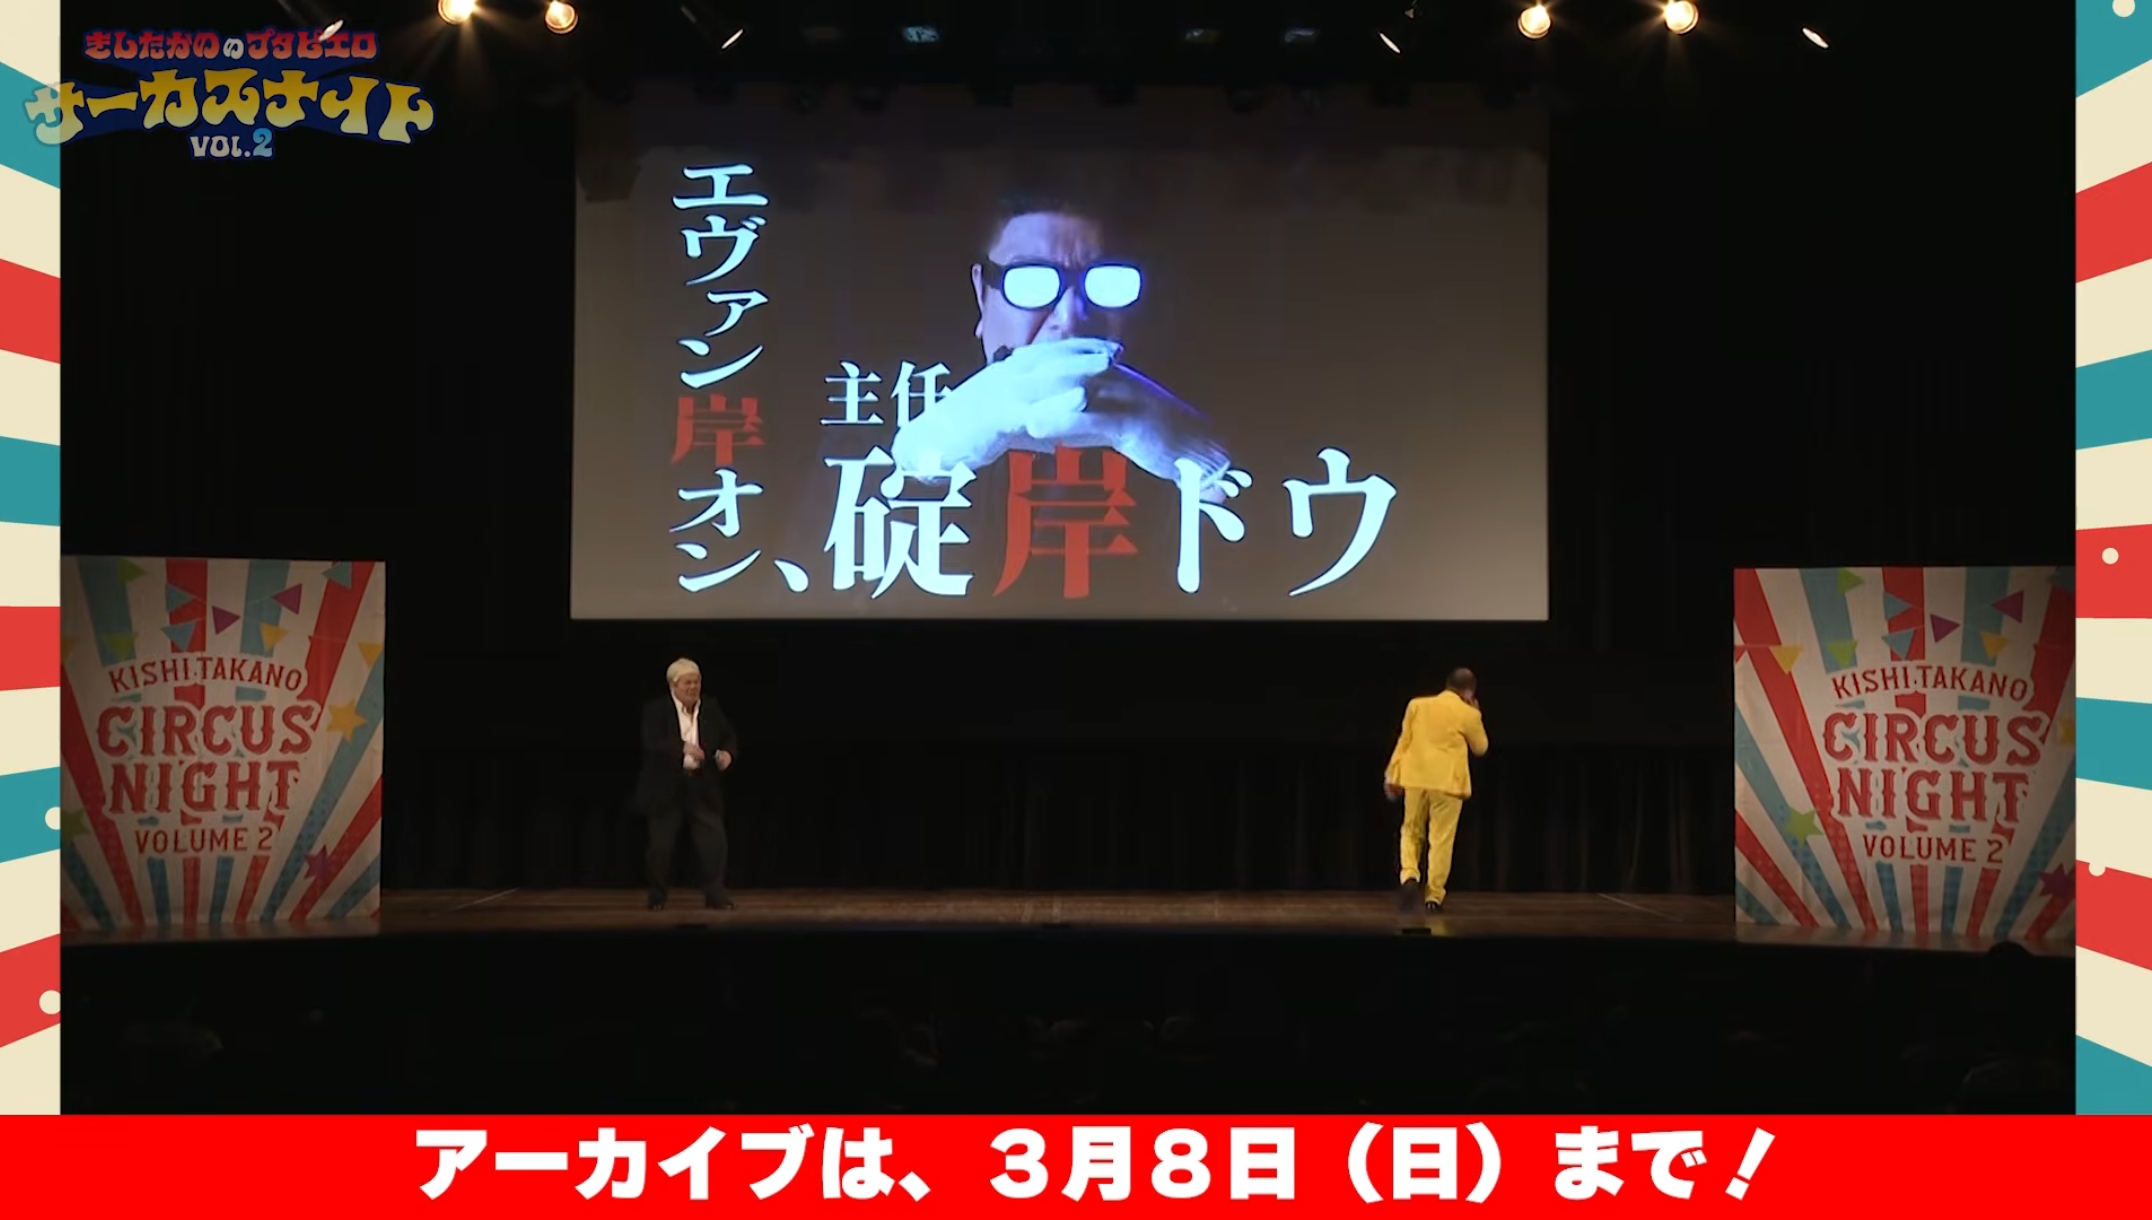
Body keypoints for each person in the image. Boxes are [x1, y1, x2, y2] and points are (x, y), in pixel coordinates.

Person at [889, 192, 1232, 495]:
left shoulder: (1208, 396)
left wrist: (1207, 462)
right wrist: (918, 463)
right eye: (1031, 281)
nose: (1070, 319)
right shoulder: (919, 405)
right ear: (982, 294)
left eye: (1105, 281)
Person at [1383, 668, 1489, 914]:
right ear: (1469, 692)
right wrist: (1476, 714)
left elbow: (1404, 741)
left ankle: (1409, 875)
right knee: (1441, 838)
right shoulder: (1467, 713)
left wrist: (1392, 773)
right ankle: (1434, 897)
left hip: (1416, 778)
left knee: (1411, 830)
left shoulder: (1417, 705)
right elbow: (1481, 747)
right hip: (1448, 783)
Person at [636, 657, 738, 910]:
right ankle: (657, 897)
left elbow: (728, 737)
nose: (693, 687)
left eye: (697, 682)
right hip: (666, 788)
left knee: (714, 843)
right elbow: (651, 741)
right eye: (687, 683)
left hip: (702, 785)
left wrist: (728, 753)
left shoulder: (710, 707)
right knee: (661, 848)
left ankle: (715, 897)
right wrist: (681, 747)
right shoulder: (656, 709)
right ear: (674, 686)